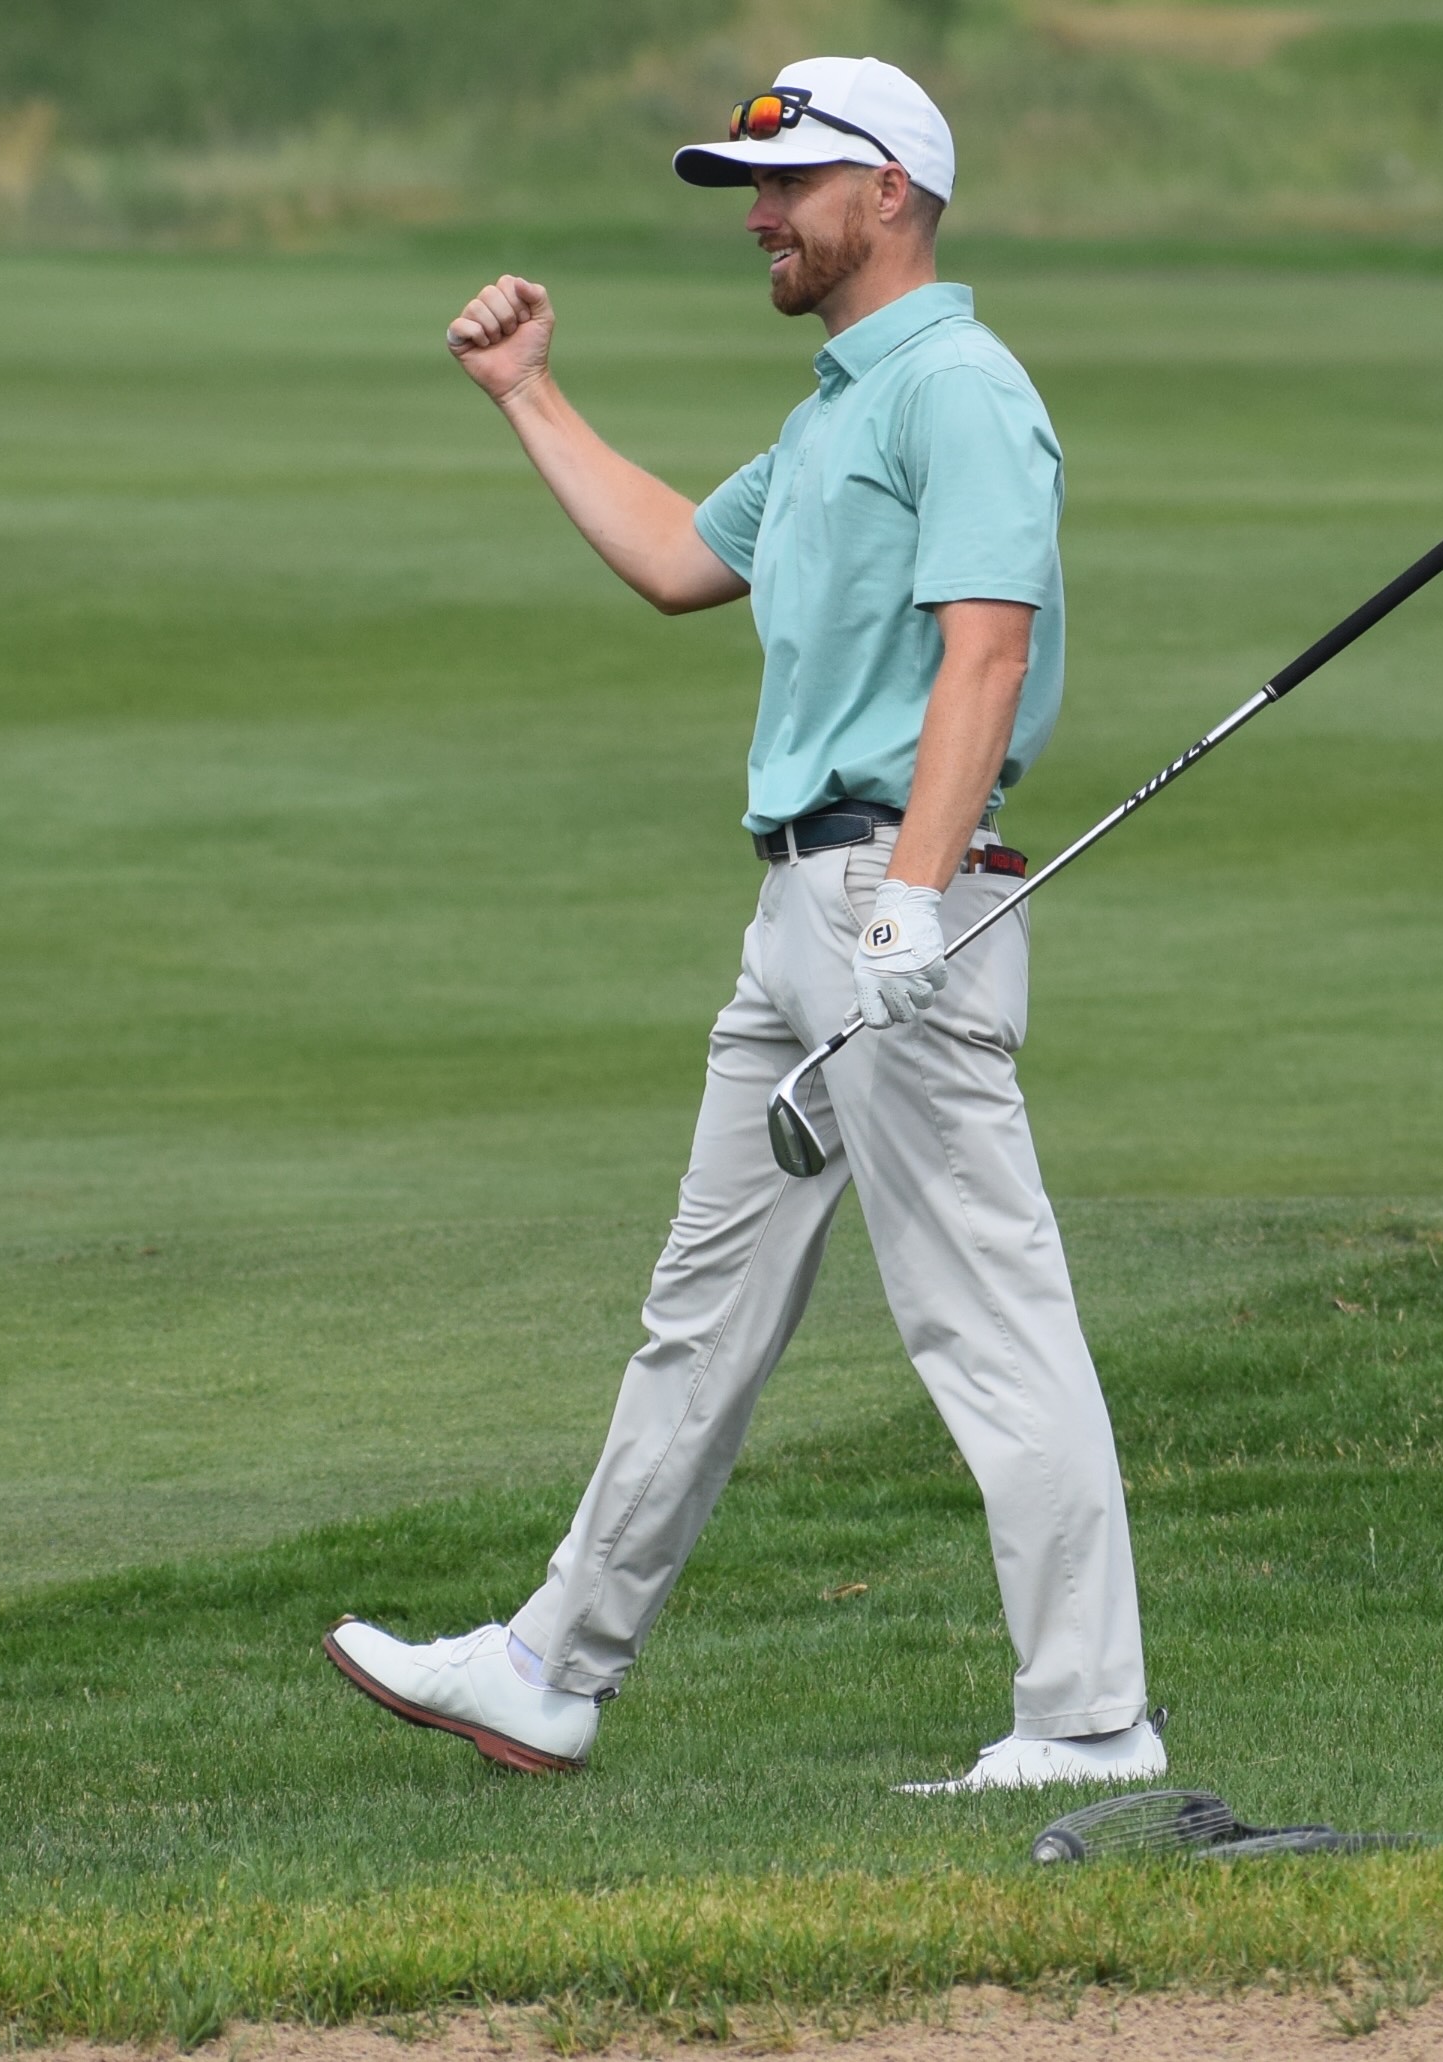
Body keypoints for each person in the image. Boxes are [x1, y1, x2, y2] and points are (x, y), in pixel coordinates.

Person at [325, 55, 1163, 1794]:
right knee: (698, 1316)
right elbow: (674, 559)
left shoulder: (958, 390)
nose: (761, 216)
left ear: (891, 193)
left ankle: (1089, 1720)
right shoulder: (835, 409)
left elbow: (986, 648)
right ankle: (550, 1667)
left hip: (891, 908)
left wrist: (912, 900)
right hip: (799, 909)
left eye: (789, 187)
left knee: (987, 1318)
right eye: (751, 190)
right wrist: (526, 393)